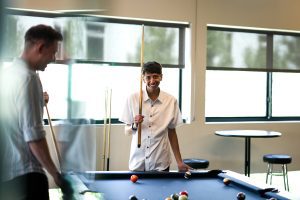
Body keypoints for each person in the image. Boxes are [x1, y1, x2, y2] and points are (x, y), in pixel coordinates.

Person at [0, 24, 72, 199]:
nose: (53, 59)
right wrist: (56, 175)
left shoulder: (6, 76)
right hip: (28, 177)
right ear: (40, 47)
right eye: (53, 52)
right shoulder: (29, 78)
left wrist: (38, 101)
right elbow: (33, 136)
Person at [119, 61, 191, 172]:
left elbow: (172, 133)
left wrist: (179, 162)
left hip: (160, 162)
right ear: (143, 78)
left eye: (155, 77)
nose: (152, 81)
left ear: (161, 77)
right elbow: (127, 131)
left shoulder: (171, 101)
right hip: (138, 162)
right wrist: (135, 125)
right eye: (148, 77)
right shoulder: (132, 99)